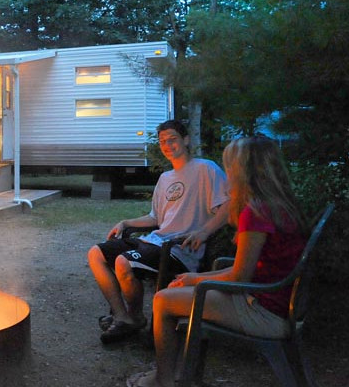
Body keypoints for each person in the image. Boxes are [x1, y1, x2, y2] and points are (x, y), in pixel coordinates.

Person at [126, 136, 311, 387]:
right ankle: (180, 373)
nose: (227, 175)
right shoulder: (279, 205)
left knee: (162, 300)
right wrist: (196, 279)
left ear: (244, 171)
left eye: (230, 168)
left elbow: (239, 277)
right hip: (273, 299)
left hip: (263, 309)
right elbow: (249, 268)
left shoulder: (255, 214)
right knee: (177, 290)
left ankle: (163, 379)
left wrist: (195, 279)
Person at [87, 119, 229, 344]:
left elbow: (227, 206)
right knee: (96, 253)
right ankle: (122, 315)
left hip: (179, 248)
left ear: (186, 140)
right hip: (155, 241)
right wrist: (125, 222)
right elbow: (156, 218)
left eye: (172, 139)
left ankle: (134, 318)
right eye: (163, 141)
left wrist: (203, 232)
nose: (167, 145)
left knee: (123, 263)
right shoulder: (165, 178)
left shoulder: (206, 169)